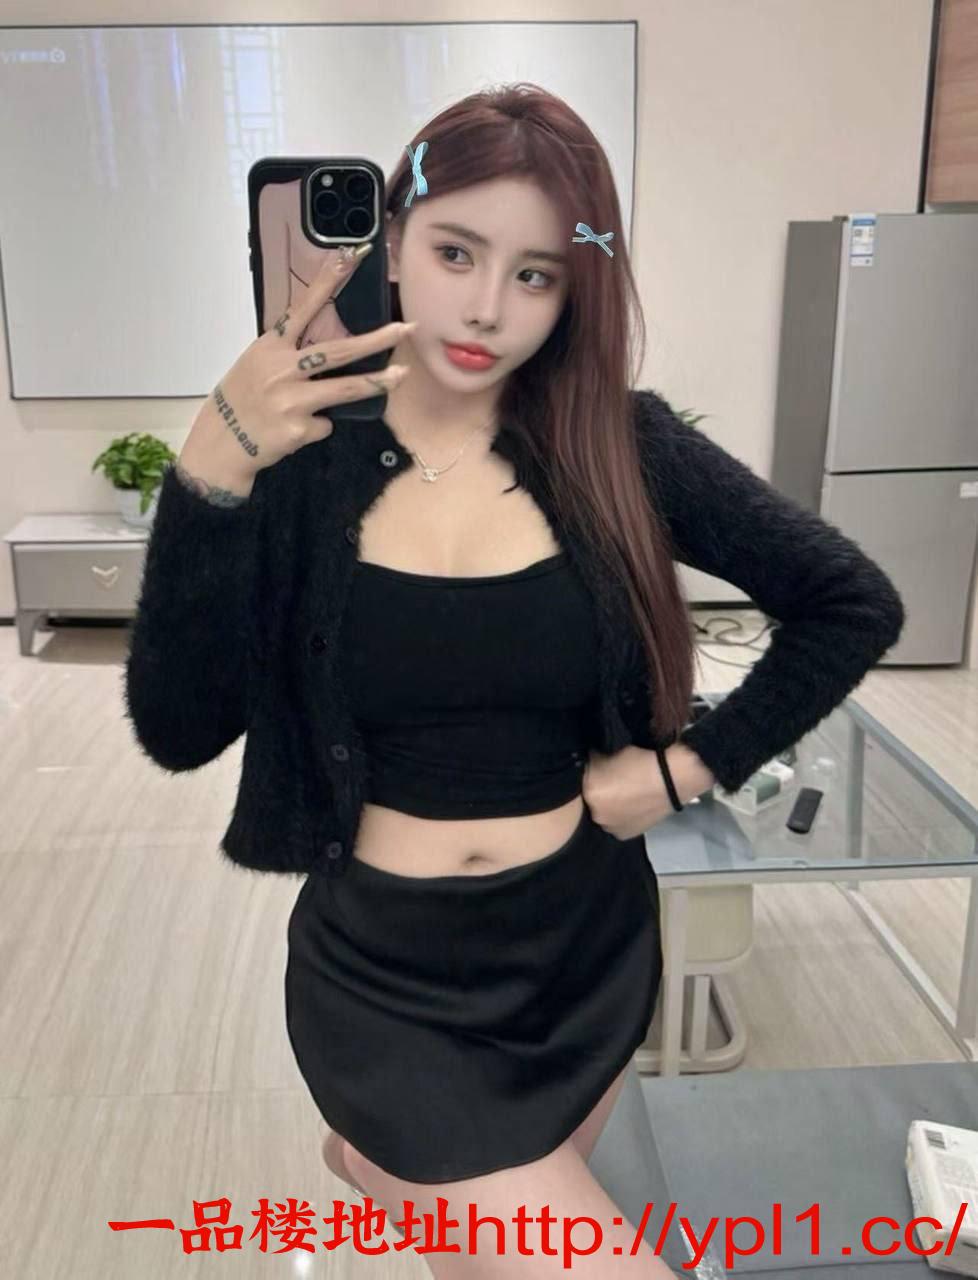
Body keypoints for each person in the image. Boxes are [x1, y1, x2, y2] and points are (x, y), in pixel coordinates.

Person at [125, 83, 905, 1277]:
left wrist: (687, 767)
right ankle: (388, 1154)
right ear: (392, 243)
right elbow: (179, 727)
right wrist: (211, 470)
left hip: (581, 955)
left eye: (536, 273)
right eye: (455, 252)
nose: (489, 307)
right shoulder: (300, 462)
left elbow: (852, 601)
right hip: (385, 984)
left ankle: (387, 1174)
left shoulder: (621, 446)